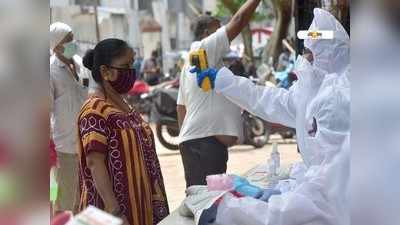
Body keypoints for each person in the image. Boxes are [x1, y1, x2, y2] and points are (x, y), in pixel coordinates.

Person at [192, 8, 350, 225]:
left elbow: (331, 184)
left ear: (327, 56)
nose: (304, 59)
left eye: (310, 53)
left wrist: (250, 207)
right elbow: (269, 99)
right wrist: (223, 80)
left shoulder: (338, 100)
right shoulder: (315, 90)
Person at [78, 38, 169, 225]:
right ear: (105, 71)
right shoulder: (95, 111)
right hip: (113, 213)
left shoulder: (124, 105)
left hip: (142, 207)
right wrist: (115, 212)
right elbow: (95, 163)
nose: (131, 72)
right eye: (125, 65)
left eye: (132, 64)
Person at [177, 0, 262, 188]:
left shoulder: (192, 62)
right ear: (207, 33)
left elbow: (181, 107)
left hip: (200, 144)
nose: (224, 34)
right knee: (208, 202)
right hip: (203, 146)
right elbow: (239, 20)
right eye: (218, 29)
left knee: (207, 200)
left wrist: (191, 138)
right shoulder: (204, 49)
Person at [50, 22, 89, 214]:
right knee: (65, 201)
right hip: (65, 145)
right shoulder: (49, 70)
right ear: (56, 46)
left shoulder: (80, 64)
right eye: (68, 40)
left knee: (86, 197)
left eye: (73, 37)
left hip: (87, 140)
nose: (73, 43)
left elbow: (88, 91)